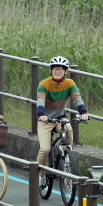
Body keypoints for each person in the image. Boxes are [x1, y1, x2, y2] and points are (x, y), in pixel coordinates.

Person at [36, 56, 89, 187]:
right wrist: (41, 114)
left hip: (60, 117)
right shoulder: (44, 84)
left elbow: (77, 99)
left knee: (68, 128)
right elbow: (40, 101)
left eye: (60, 69)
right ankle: (40, 174)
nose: (57, 71)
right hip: (45, 119)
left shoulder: (70, 83)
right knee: (45, 148)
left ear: (66, 71)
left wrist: (83, 112)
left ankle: (66, 154)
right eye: (54, 68)